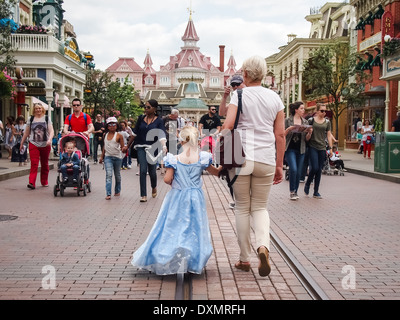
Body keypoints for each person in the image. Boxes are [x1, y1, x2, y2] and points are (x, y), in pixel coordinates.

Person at [222, 55, 285, 277]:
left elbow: (228, 125)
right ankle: (263, 248)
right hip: (266, 159)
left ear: (245, 75)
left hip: (241, 158)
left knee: (242, 208)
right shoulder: (275, 98)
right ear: (265, 74)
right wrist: (279, 165)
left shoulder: (238, 94)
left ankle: (244, 259)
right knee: (260, 207)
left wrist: (216, 143)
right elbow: (279, 135)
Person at [131, 126, 221, 275]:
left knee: (173, 225)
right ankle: (193, 257)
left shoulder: (174, 158)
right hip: (196, 197)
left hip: (178, 197)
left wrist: (175, 180)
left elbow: (167, 179)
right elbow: (215, 172)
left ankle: (168, 253)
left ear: (181, 140)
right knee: (194, 226)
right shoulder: (203, 157)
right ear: (197, 140)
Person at [127, 99, 167, 202]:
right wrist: (127, 147)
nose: (146, 109)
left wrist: (164, 146)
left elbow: (161, 134)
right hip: (140, 146)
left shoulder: (159, 120)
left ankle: (154, 186)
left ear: (154, 109)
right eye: (145, 107)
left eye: (148, 107)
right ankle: (143, 195)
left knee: (152, 172)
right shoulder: (141, 118)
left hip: (153, 148)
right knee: (143, 170)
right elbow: (134, 134)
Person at [19, 103, 54, 189]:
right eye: (36, 108)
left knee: (44, 164)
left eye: (39, 108)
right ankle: (31, 182)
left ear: (42, 109)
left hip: (45, 144)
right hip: (33, 144)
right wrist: (22, 142)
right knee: (34, 163)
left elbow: (51, 130)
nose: (38, 110)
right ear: (34, 110)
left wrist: (50, 139)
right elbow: (26, 132)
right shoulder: (30, 119)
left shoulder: (46, 118)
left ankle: (44, 181)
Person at [304, 103, 333, 199]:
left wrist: (331, 148)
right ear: (317, 111)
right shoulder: (311, 120)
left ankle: (316, 191)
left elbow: (329, 135)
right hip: (312, 146)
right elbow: (306, 135)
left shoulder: (327, 122)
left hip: (322, 147)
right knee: (315, 167)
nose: (324, 113)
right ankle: (308, 183)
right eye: (322, 111)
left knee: (319, 170)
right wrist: (309, 133)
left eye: (325, 111)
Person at [284, 101, 312, 200]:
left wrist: (309, 133)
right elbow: (281, 134)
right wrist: (289, 129)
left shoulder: (305, 122)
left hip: (301, 149)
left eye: (303, 108)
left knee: (299, 171)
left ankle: (295, 191)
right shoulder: (288, 120)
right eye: (301, 108)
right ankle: (292, 191)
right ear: (296, 110)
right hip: (290, 148)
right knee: (294, 169)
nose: (303, 110)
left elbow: (307, 139)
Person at [99, 117, 127, 200]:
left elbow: (122, 148)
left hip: (117, 157)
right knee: (109, 175)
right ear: (107, 126)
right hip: (108, 157)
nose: (112, 126)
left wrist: (124, 149)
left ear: (116, 126)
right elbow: (104, 146)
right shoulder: (105, 135)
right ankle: (108, 193)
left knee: (117, 175)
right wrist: (102, 157)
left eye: (114, 124)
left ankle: (117, 190)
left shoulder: (119, 136)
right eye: (110, 125)